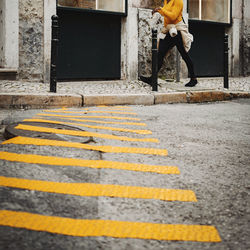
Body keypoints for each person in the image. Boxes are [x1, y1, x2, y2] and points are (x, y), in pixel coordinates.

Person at [140, 0, 198, 87]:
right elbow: (166, 13)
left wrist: (161, 10)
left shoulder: (178, 1)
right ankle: (153, 79)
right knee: (160, 53)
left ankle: (193, 79)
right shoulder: (167, 1)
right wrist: (157, 11)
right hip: (168, 30)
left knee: (184, 54)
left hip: (177, 31)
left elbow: (173, 16)